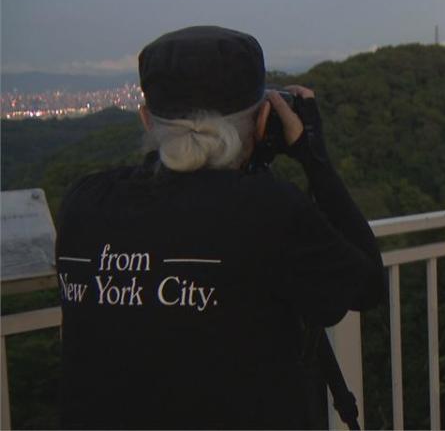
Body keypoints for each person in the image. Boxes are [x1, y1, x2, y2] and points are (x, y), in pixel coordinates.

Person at [55, 26, 385, 429]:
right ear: (263, 120)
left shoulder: (83, 204)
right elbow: (366, 287)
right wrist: (315, 158)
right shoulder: (269, 209)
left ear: (146, 119)